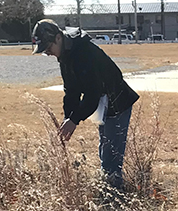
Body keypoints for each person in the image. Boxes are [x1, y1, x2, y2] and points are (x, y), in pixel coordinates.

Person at [32, 19, 139, 190]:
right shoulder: (65, 55)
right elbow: (71, 91)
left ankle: (114, 196)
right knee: (105, 148)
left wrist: (74, 120)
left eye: (48, 48)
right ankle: (108, 189)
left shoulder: (83, 52)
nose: (48, 53)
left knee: (111, 154)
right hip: (103, 103)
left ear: (58, 38)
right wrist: (68, 118)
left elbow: (92, 94)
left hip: (117, 101)